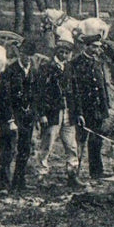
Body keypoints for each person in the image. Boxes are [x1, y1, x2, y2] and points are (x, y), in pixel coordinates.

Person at [0, 38, 40, 195]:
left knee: (24, 150)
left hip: (26, 117)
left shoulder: (34, 72)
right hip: (11, 117)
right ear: (19, 54)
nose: (27, 58)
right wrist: (9, 120)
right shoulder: (9, 71)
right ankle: (3, 184)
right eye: (24, 54)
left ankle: (19, 181)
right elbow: (4, 98)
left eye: (30, 55)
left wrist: (35, 116)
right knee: (7, 150)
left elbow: (36, 96)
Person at [35, 40, 82, 188]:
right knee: (47, 144)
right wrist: (42, 114)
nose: (64, 54)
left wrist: (79, 112)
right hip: (52, 112)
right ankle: (41, 175)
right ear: (57, 52)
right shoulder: (46, 68)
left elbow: (75, 92)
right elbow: (40, 93)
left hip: (69, 111)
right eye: (61, 51)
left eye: (66, 52)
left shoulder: (69, 68)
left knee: (71, 145)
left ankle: (72, 174)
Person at [71, 34, 111, 180]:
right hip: (84, 110)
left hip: (98, 110)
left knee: (97, 141)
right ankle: (75, 173)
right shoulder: (76, 63)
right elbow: (74, 91)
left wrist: (105, 108)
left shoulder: (98, 63)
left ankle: (96, 172)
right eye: (94, 47)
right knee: (80, 141)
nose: (97, 50)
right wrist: (78, 112)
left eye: (98, 47)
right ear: (86, 46)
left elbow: (102, 87)